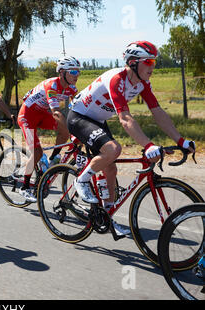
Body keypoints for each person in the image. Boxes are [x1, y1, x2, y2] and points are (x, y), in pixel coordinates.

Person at [67, 41, 196, 236]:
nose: (153, 67)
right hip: (79, 117)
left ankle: (107, 216)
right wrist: (149, 145)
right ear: (134, 62)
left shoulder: (142, 83)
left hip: (98, 120)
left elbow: (158, 112)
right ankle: (82, 180)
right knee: (113, 149)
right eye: (149, 62)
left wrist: (181, 141)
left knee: (111, 167)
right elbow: (125, 119)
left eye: (154, 62)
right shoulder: (117, 79)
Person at [16, 56, 81, 202]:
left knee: (63, 130)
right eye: (73, 72)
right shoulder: (52, 85)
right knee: (37, 153)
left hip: (41, 114)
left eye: (78, 72)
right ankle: (25, 187)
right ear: (62, 72)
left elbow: (80, 108)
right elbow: (56, 112)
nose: (77, 76)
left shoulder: (72, 88)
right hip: (27, 115)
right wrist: (72, 131)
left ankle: (53, 159)